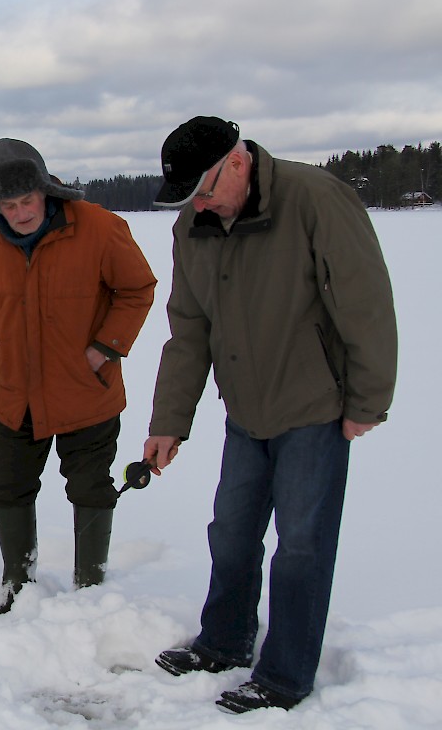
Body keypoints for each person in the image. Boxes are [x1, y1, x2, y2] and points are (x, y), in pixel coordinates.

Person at [145, 116, 398, 714]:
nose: (199, 205)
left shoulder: (315, 198)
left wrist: (367, 401)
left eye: (204, 189)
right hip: (246, 410)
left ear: (238, 162)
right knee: (230, 533)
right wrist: (169, 421)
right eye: (190, 197)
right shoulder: (195, 226)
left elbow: (366, 303)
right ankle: (225, 642)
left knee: (303, 546)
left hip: (313, 407)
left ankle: (285, 675)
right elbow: (189, 328)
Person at [0, 138, 156, 613]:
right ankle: (16, 581)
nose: (21, 213)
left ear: (47, 189)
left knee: (90, 488)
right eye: (8, 204)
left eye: (28, 200)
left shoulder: (100, 227)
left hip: (86, 391)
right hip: (15, 392)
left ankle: (90, 590)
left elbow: (137, 289)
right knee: (8, 487)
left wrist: (105, 350)